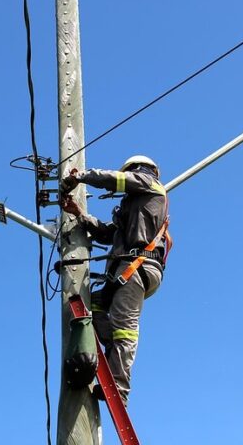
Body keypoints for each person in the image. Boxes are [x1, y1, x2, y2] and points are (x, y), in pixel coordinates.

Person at [60, 155, 172, 405]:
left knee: (125, 327)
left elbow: (116, 180)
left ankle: (119, 389)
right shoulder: (133, 209)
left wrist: (80, 176)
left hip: (138, 267)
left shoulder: (150, 184)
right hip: (127, 270)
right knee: (95, 303)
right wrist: (79, 213)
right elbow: (106, 233)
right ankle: (114, 354)